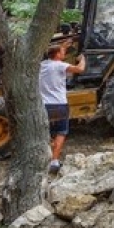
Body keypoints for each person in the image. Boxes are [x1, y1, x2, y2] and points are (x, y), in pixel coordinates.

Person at [39, 41, 86, 173]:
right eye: (63, 52)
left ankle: (43, 159)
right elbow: (80, 70)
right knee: (60, 132)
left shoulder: (41, 65)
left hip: (43, 105)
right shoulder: (60, 65)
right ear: (57, 54)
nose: (64, 54)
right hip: (58, 104)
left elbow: (54, 53)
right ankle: (54, 161)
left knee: (45, 132)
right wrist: (82, 59)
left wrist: (63, 46)